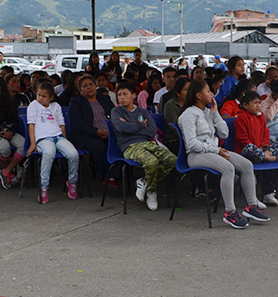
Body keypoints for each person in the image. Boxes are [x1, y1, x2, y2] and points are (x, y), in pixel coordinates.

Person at [177, 79, 268, 229]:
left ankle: (251, 206)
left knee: (246, 165)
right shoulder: (188, 114)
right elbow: (192, 144)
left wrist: (214, 113)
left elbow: (224, 134)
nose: (212, 94)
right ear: (199, 95)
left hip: (215, 151)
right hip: (196, 155)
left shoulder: (208, 111)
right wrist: (216, 150)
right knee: (228, 168)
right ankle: (230, 212)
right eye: (208, 91)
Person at [111, 81, 175, 211]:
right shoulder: (116, 111)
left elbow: (151, 131)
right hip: (129, 146)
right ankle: (152, 192)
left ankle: (145, 182)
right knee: (152, 162)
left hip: (148, 143)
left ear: (134, 95)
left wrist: (130, 126)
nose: (121, 97)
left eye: (125, 94)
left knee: (171, 159)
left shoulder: (142, 112)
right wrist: (140, 125)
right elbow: (120, 127)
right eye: (119, 95)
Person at [27, 82, 79, 204]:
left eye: (44, 96)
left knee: (73, 154)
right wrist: (32, 143)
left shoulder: (56, 106)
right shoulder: (33, 105)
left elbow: (62, 124)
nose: (40, 98)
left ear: (51, 97)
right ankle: (44, 187)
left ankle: (72, 182)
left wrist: (64, 138)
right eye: (39, 95)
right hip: (43, 139)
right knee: (49, 153)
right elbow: (31, 125)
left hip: (58, 137)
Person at [234, 90, 278, 207]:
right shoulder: (241, 118)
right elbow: (243, 139)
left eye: (259, 102)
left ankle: (268, 193)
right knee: (250, 148)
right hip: (246, 152)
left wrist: (264, 147)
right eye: (255, 103)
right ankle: (270, 158)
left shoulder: (261, 116)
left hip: (261, 151)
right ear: (246, 105)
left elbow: (266, 134)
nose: (258, 106)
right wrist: (260, 151)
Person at [69, 74, 115, 184]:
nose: (89, 87)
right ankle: (108, 177)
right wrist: (97, 132)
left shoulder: (105, 98)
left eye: (91, 84)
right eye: (85, 86)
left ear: (95, 86)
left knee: (119, 144)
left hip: (108, 133)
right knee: (99, 147)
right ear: (80, 90)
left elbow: (115, 115)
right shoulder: (77, 102)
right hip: (87, 135)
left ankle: (115, 176)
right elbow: (77, 123)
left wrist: (110, 131)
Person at [162, 77, 189, 155]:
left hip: (193, 138)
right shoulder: (170, 105)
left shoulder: (193, 104)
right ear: (178, 93)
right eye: (186, 90)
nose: (190, 92)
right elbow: (175, 129)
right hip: (176, 140)